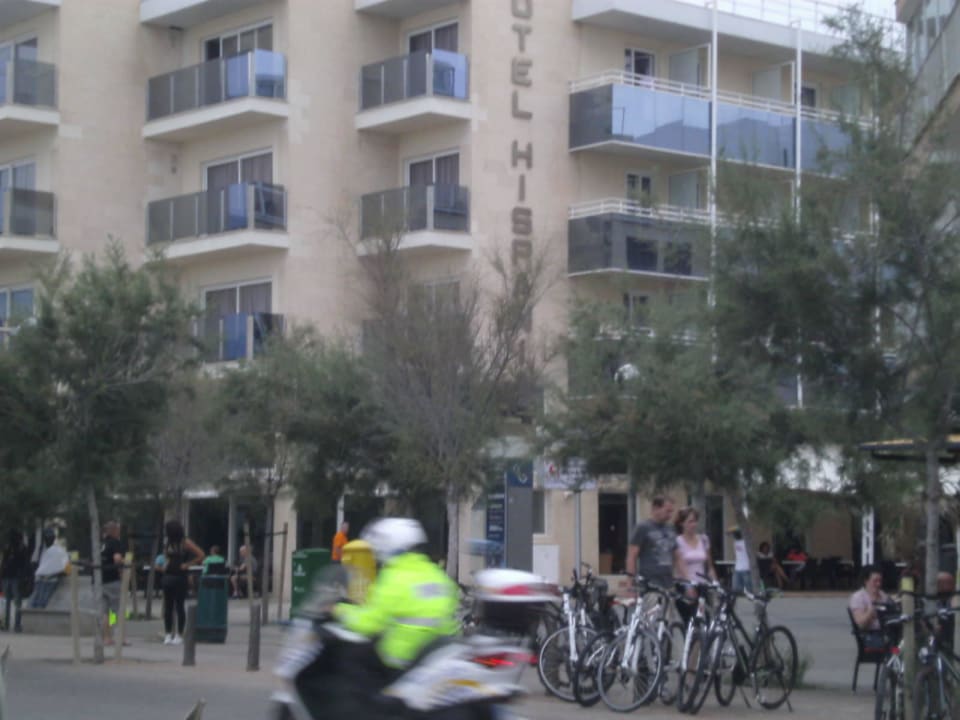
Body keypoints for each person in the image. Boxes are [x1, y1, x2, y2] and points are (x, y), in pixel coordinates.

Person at [334, 518, 457, 679]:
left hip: (399, 665)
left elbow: (369, 623)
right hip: (436, 663)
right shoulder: (438, 575)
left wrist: (339, 610)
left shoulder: (394, 578)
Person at [160, 520, 204, 645]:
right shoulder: (168, 543)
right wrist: (165, 564)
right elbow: (166, 556)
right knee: (169, 606)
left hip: (179, 576)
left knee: (178, 605)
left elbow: (201, 554)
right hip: (170, 575)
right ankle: (168, 633)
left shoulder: (184, 542)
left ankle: (179, 634)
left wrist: (187, 564)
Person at [625, 496, 680, 589]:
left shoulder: (671, 529)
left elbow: (677, 556)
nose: (670, 515)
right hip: (649, 581)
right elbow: (632, 555)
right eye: (667, 511)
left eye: (671, 512)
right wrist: (630, 582)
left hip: (668, 581)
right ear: (656, 508)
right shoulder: (643, 527)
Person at [849, 565, 892, 649]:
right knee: (893, 646)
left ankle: (899, 655)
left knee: (904, 642)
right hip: (870, 635)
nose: (878, 584)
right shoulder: (858, 597)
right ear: (866, 581)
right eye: (875, 581)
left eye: (880, 581)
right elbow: (861, 624)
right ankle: (894, 655)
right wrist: (872, 609)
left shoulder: (883, 595)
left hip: (886, 633)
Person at [100, 521, 125, 646]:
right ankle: (118, 636)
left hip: (99, 580)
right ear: (114, 531)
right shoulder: (115, 542)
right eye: (118, 530)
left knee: (104, 611)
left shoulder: (101, 544)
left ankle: (106, 638)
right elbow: (117, 558)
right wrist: (123, 565)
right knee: (115, 611)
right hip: (112, 579)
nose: (119, 533)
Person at [32, 527, 69, 608]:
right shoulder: (41, 549)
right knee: (35, 602)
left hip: (51, 579)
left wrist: (57, 573)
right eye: (47, 537)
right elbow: (36, 563)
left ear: (53, 538)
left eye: (50, 537)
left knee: (43, 602)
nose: (48, 539)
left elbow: (66, 567)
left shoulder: (58, 550)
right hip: (40, 579)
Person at [1, 529, 30, 632]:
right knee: (8, 602)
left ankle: (16, 624)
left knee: (16, 602)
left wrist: (23, 576)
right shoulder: (8, 547)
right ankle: (7, 624)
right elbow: (4, 561)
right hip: (8, 577)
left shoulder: (21, 548)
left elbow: (25, 564)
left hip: (15, 578)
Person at [729, 526, 752, 594]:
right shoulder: (735, 542)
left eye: (735, 534)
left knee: (749, 589)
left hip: (746, 568)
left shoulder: (747, 542)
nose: (734, 535)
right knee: (735, 588)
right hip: (737, 568)